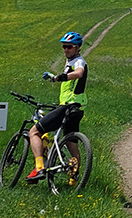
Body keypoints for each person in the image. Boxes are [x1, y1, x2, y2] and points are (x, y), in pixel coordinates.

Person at [26, 31, 87, 182]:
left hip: (68, 106)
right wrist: (54, 78)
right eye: (64, 47)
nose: (66, 50)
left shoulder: (78, 61)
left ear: (77, 48)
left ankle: (39, 168)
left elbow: (79, 73)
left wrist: (62, 77)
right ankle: (74, 177)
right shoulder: (70, 61)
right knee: (71, 142)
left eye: (69, 47)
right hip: (77, 108)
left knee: (33, 132)